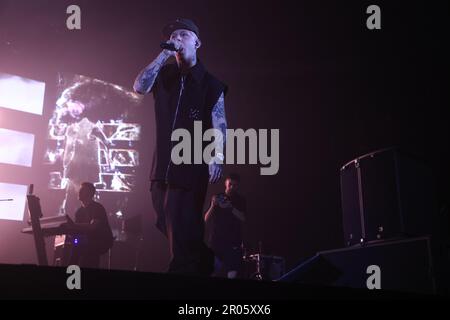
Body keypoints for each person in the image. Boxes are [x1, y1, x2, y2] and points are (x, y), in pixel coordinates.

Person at [133, 18, 228, 275]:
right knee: (166, 221)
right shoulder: (164, 75)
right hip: (161, 165)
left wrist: (216, 156)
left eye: (184, 34)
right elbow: (139, 87)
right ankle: (210, 263)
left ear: (197, 42)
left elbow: (220, 123)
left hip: (191, 163)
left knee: (178, 217)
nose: (178, 38)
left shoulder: (211, 84)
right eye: (174, 35)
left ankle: (179, 277)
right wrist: (163, 54)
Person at [63, 182, 114, 268]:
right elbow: (78, 230)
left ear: (90, 193)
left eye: (82, 190)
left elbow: (93, 226)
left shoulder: (97, 208)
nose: (79, 192)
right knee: (74, 246)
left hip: (100, 241)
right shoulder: (79, 211)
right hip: (87, 239)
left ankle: (73, 275)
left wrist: (73, 226)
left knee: (82, 249)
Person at [205, 173, 246, 279]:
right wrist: (212, 206)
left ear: (239, 185)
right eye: (230, 184)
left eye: (235, 185)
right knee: (212, 271)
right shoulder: (218, 197)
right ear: (226, 183)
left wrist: (230, 207)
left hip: (232, 243)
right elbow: (205, 219)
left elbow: (243, 218)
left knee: (232, 273)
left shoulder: (240, 200)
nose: (232, 187)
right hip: (215, 242)